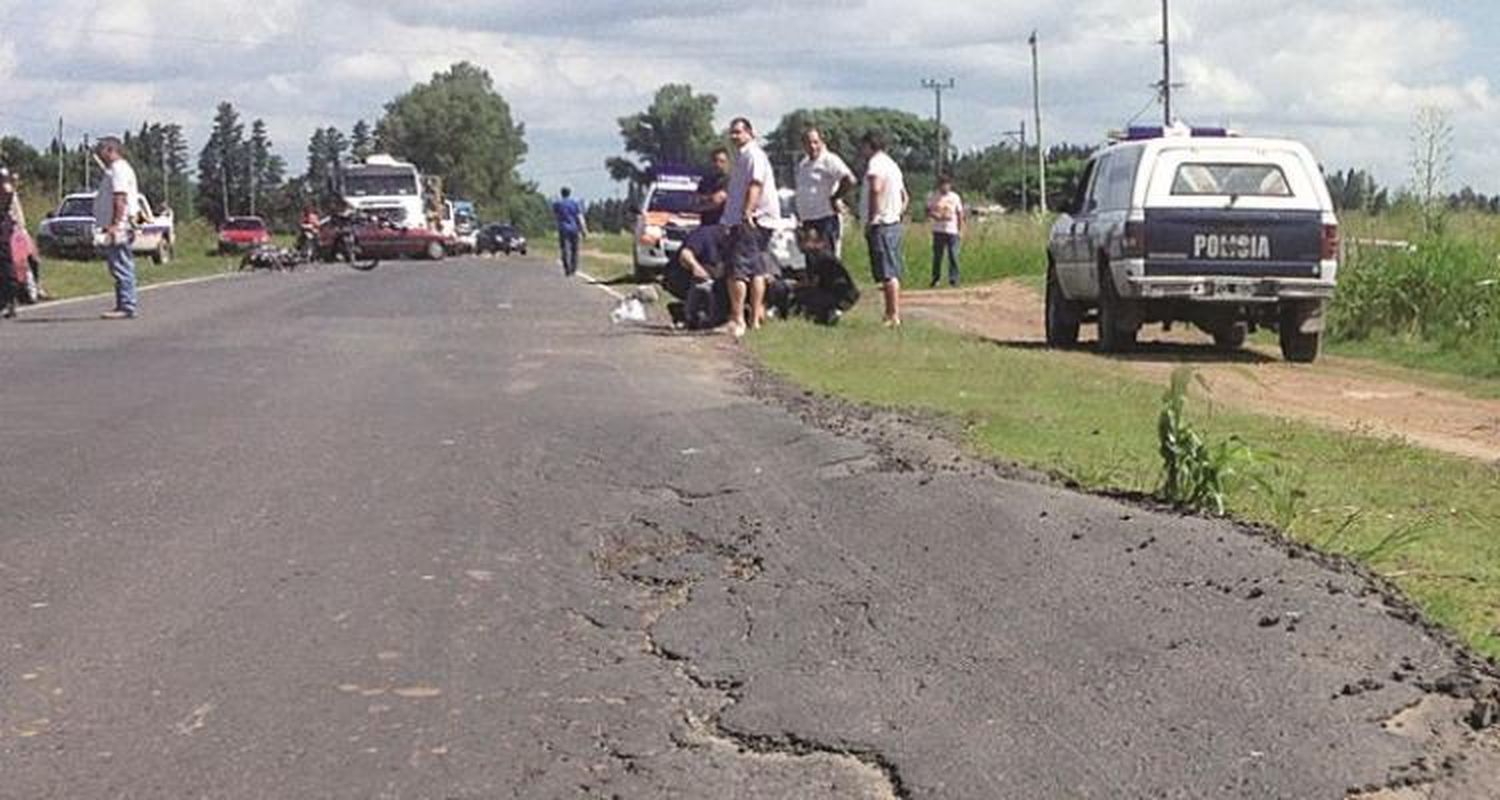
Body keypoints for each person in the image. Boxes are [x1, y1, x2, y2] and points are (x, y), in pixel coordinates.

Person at [720, 117, 780, 339]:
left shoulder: (752, 154)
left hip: (752, 220)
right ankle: (754, 319)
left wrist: (746, 213)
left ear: (750, 133)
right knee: (756, 270)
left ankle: (738, 319)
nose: (735, 136)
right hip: (754, 220)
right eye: (732, 133)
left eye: (738, 132)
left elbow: (756, 184)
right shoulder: (743, 156)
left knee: (738, 270)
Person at [860, 131, 908, 327]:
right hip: (893, 222)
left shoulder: (876, 164)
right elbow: (905, 197)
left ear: (869, 145)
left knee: (887, 271)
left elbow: (876, 189)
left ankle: (892, 314)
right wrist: (896, 212)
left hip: (882, 224)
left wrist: (873, 218)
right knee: (890, 268)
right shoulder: (893, 165)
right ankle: (891, 312)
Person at [94, 137, 139, 320]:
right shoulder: (115, 170)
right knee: (118, 264)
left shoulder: (119, 170)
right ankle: (123, 303)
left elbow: (120, 199)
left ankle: (127, 305)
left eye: (101, 150)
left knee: (121, 264)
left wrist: (114, 224)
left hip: (120, 226)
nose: (99, 154)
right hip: (119, 224)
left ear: (111, 150)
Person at [795, 127, 856, 256]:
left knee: (827, 259)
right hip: (808, 219)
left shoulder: (829, 160)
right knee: (811, 260)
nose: (812, 146)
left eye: (815, 142)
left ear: (822, 142)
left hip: (825, 218)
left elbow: (849, 179)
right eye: (808, 143)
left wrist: (835, 197)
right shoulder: (803, 164)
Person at [791, 227, 860, 325]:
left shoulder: (815, 257)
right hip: (849, 293)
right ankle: (827, 313)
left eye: (799, 242)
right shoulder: (825, 252)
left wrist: (795, 285)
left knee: (803, 294)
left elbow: (813, 282)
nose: (798, 246)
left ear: (807, 242)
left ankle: (830, 311)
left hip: (840, 294)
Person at [926, 174, 965, 287]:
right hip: (938, 230)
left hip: (952, 230)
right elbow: (927, 210)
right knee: (937, 256)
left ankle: (954, 279)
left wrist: (960, 229)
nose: (945, 187)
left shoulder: (955, 197)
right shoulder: (933, 196)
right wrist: (935, 215)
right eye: (942, 184)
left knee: (953, 255)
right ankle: (935, 279)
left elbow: (960, 214)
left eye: (947, 184)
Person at [552, 187, 588, 277]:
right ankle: (573, 268)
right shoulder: (574, 204)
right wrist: (584, 229)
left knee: (565, 249)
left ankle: (567, 267)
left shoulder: (558, 204)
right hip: (574, 228)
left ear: (561, 193)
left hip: (563, 229)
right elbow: (580, 217)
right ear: (569, 193)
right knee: (575, 250)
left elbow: (555, 215)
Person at [697, 148, 731, 226]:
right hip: (706, 223)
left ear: (728, 163)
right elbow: (697, 200)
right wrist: (709, 199)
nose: (718, 164)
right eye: (715, 160)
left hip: (723, 224)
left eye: (722, 161)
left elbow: (717, 200)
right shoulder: (705, 181)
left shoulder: (731, 182)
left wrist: (706, 200)